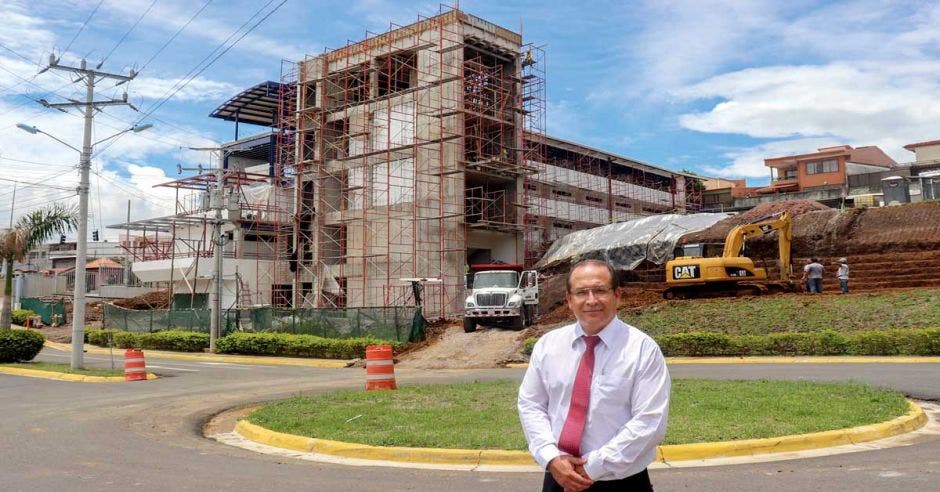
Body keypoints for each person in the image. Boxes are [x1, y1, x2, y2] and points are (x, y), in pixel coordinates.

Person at [518, 260, 670, 492]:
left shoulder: (642, 349)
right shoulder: (548, 346)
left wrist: (592, 466)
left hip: (621, 482)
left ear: (617, 296)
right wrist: (551, 458)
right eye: (581, 293)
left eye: (600, 290)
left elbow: (650, 421)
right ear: (569, 300)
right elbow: (531, 405)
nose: (591, 300)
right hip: (559, 477)